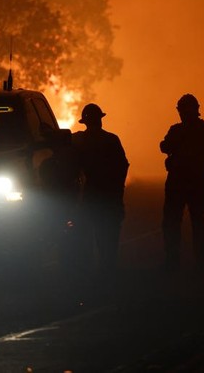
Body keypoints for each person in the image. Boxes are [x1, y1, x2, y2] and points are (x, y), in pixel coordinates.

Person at [160, 94, 204, 271]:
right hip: (197, 183)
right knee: (197, 220)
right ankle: (201, 260)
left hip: (179, 183)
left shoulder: (178, 130)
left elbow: (164, 146)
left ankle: (173, 260)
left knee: (172, 222)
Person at [71, 103, 129, 280]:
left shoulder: (79, 140)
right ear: (100, 120)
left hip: (92, 193)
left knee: (87, 232)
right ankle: (107, 269)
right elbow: (123, 166)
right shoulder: (111, 139)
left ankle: (88, 271)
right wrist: (118, 189)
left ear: (85, 122)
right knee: (109, 234)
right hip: (110, 193)